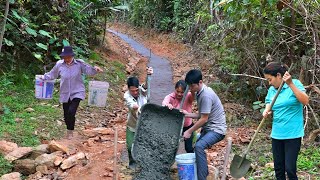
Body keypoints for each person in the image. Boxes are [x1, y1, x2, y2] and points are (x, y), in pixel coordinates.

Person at [41, 46, 103, 139]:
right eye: (64, 57)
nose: (66, 59)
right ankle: (69, 130)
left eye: (68, 56)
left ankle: (71, 131)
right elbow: (52, 74)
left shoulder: (79, 63)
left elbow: (88, 70)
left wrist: (95, 69)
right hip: (65, 92)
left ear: (72, 55)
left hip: (77, 91)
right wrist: (43, 77)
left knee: (71, 111)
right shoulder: (59, 64)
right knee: (66, 115)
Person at [262, 62, 309, 180]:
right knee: (279, 168)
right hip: (277, 134)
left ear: (278, 75)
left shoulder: (295, 83)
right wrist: (267, 110)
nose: (269, 83)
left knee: (290, 168)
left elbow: (305, 101)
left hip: (293, 134)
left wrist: (291, 84)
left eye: (270, 79)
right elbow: (269, 102)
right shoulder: (272, 90)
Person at [182, 69, 227, 180]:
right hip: (209, 127)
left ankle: (202, 177)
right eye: (189, 86)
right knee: (196, 146)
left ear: (200, 82)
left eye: (192, 86)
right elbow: (201, 114)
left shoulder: (206, 95)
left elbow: (203, 119)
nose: (191, 89)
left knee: (199, 146)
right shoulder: (200, 92)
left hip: (217, 130)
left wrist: (189, 131)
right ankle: (202, 172)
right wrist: (187, 114)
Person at [124, 67, 153, 169]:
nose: (135, 93)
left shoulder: (141, 91)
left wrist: (148, 76)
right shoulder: (126, 95)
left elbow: (146, 87)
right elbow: (132, 105)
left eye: (136, 90)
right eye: (133, 91)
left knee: (146, 145)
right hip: (132, 124)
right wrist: (138, 108)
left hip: (144, 124)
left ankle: (145, 164)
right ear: (128, 89)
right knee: (130, 146)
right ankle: (132, 163)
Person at [162, 80, 195, 153]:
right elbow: (164, 103)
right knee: (171, 146)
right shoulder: (170, 96)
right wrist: (168, 105)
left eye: (182, 92)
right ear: (175, 89)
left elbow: (193, 96)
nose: (179, 94)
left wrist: (192, 90)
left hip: (187, 126)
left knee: (189, 148)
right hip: (175, 126)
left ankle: (193, 161)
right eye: (177, 91)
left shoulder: (188, 96)